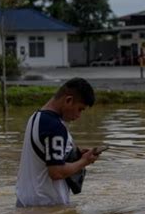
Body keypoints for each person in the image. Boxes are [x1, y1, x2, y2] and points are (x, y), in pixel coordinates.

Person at [16, 78, 99, 207]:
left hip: (25, 202)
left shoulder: (36, 117)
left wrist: (76, 154)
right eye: (80, 109)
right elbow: (56, 172)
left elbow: (45, 155)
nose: (79, 116)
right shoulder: (55, 127)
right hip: (46, 208)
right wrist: (84, 161)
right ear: (68, 100)